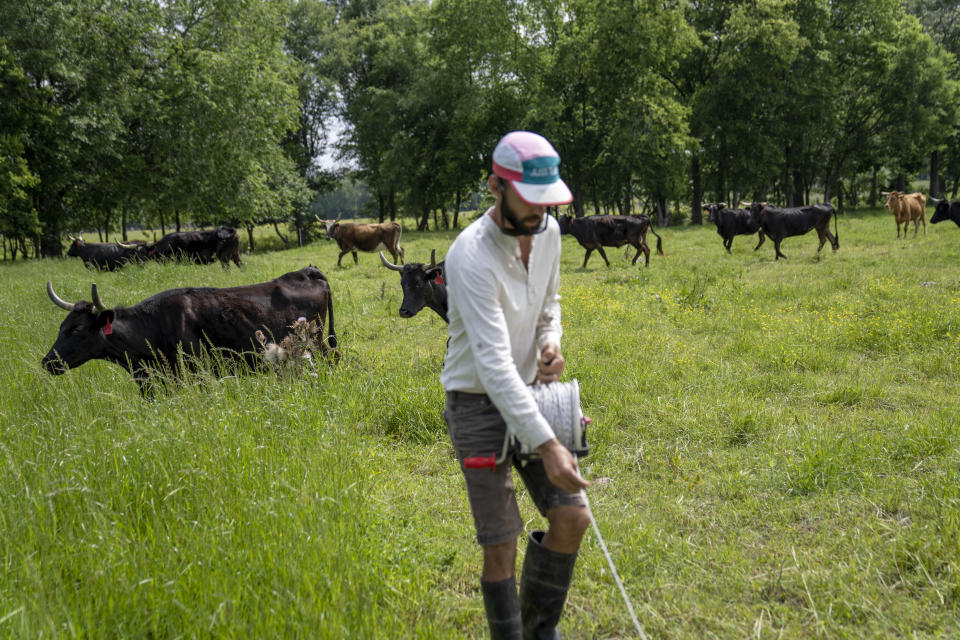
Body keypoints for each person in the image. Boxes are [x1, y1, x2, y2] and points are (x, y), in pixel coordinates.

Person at [441, 130, 591, 639]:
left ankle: (537, 631)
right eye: (530, 199)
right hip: (477, 404)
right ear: (495, 187)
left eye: (548, 200)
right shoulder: (469, 255)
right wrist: (549, 444)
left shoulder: (548, 232)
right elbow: (491, 365)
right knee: (501, 544)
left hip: (530, 393)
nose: (540, 211)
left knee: (573, 519)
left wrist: (551, 343)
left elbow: (550, 303)